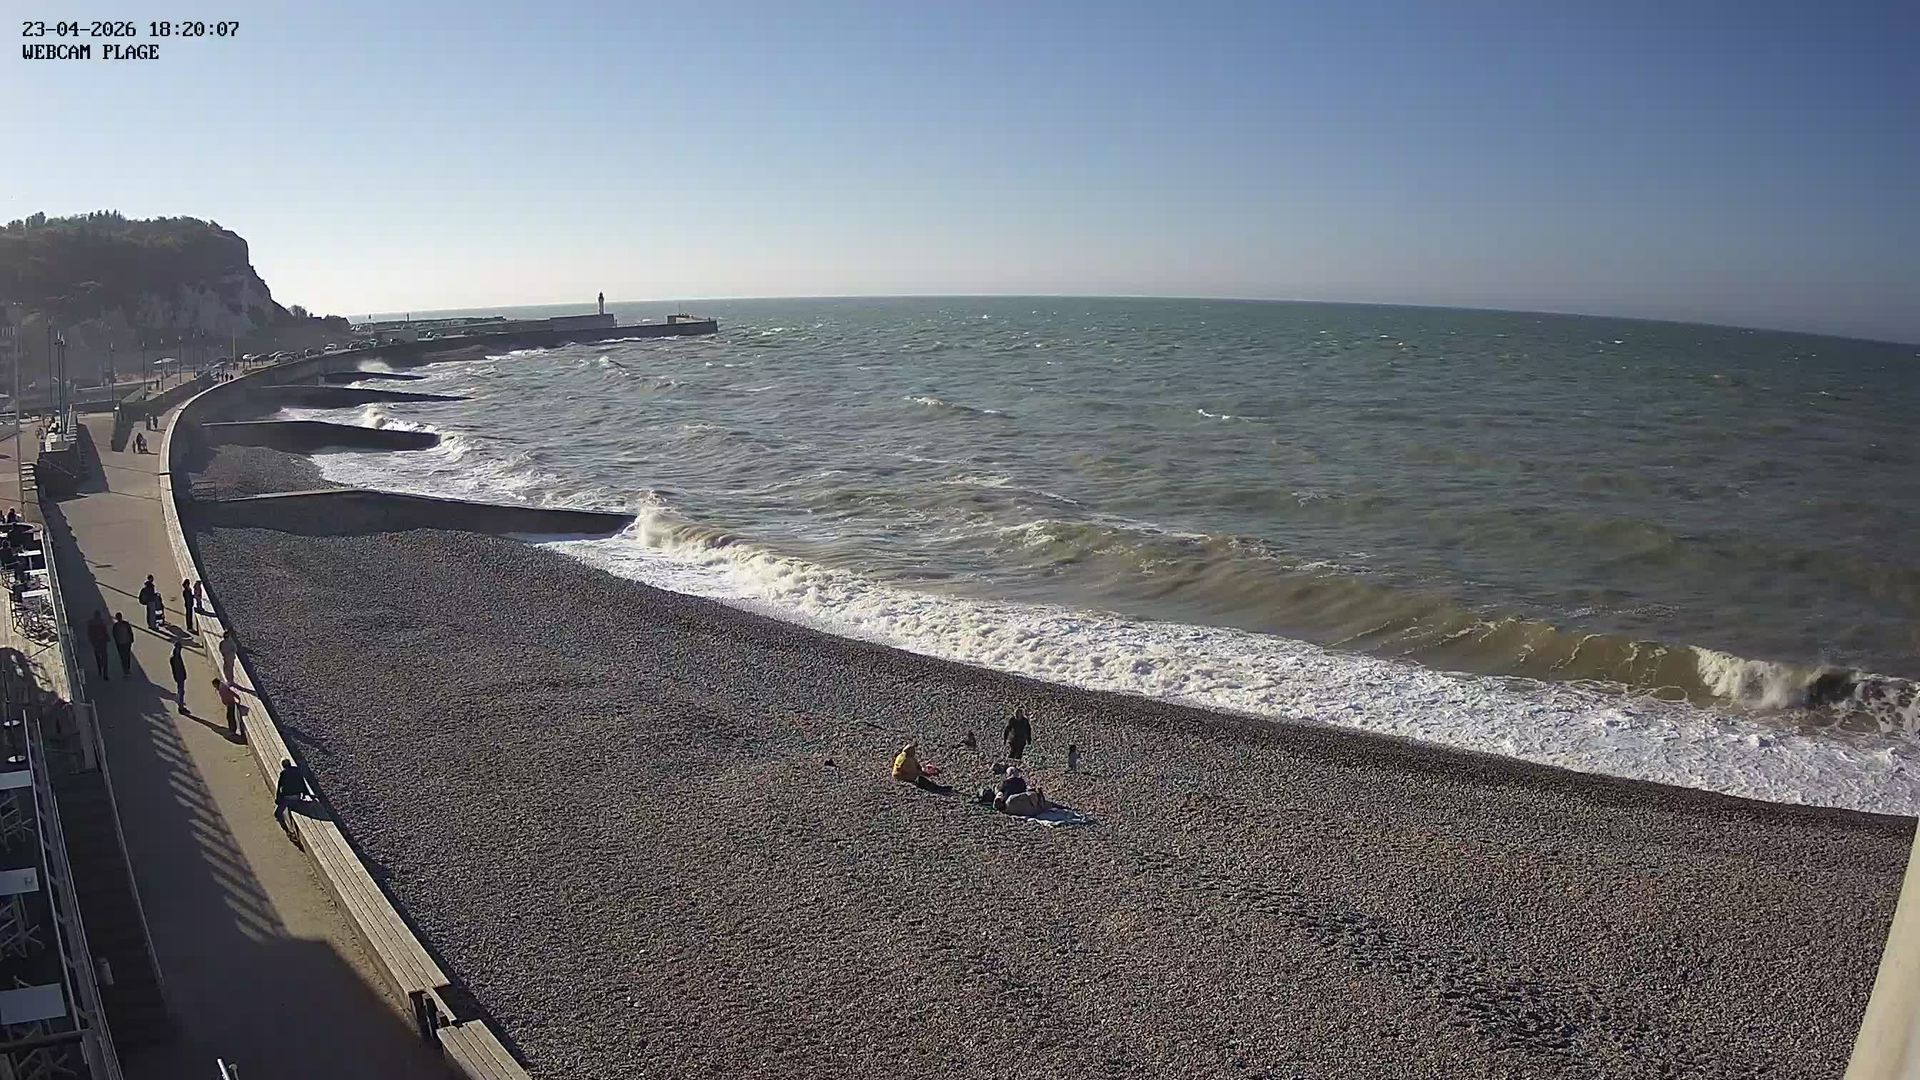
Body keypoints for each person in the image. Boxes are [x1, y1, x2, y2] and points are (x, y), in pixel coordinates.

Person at [274, 759, 311, 832]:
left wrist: (277, 799)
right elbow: (303, 784)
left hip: (287, 798)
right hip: (297, 796)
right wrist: (306, 795)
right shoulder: (297, 771)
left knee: (277, 814)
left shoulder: (283, 774)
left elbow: (279, 787)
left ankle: (287, 830)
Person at [86, 610, 111, 680]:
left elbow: (89, 632)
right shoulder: (102, 622)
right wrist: (108, 638)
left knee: (97, 656)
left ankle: (100, 669)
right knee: (104, 657)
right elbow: (105, 631)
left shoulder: (91, 622)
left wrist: (91, 640)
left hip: (95, 642)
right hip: (102, 641)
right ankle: (105, 674)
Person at [168, 642, 189, 713]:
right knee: (181, 692)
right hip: (179, 676)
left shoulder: (176, 655)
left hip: (180, 675)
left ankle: (180, 704)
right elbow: (177, 668)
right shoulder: (175, 657)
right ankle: (181, 707)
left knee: (181, 691)